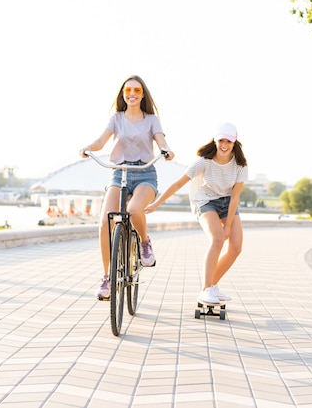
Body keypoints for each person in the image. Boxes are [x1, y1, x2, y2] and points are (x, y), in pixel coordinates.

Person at [79, 75, 175, 299]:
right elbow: (101, 142)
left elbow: (161, 141)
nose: (132, 94)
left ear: (143, 95)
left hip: (144, 173)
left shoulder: (151, 119)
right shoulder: (117, 118)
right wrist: (88, 148)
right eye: (128, 90)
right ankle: (108, 277)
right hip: (119, 173)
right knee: (106, 221)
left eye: (137, 91)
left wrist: (167, 151)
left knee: (132, 211)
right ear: (123, 94)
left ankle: (144, 242)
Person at [145, 122, 248, 304]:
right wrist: (156, 204)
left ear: (235, 143)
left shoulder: (240, 165)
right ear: (215, 141)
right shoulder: (203, 162)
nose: (224, 146)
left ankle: (213, 285)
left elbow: (235, 198)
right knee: (217, 239)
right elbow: (178, 184)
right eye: (221, 141)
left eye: (228, 142)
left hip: (227, 202)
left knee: (236, 246)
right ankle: (206, 289)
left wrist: (228, 226)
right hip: (205, 201)